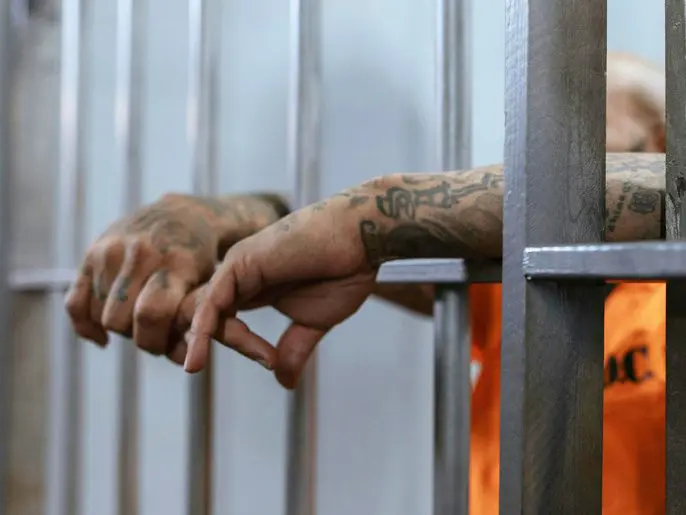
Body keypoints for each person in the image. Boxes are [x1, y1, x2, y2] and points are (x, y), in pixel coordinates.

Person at [66, 52, 666, 515]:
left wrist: (376, 210)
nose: (540, 166)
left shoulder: (668, 297)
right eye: (530, 149)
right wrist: (232, 218)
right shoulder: (520, 286)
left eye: (592, 135)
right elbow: (337, 247)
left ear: (661, 143)